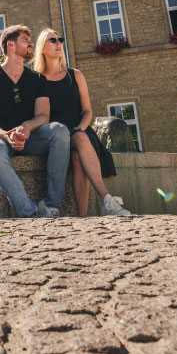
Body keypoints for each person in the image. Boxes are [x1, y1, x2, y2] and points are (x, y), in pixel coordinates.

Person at [32, 28, 131, 217]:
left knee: (78, 157)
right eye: (52, 40)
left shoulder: (75, 75)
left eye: (60, 39)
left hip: (80, 129)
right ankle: (107, 200)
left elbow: (87, 110)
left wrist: (80, 129)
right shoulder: (36, 80)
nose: (59, 43)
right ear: (42, 48)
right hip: (55, 134)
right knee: (78, 140)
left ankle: (83, 216)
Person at [0, 25, 71, 218]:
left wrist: (27, 127)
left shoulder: (37, 79)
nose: (31, 44)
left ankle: (51, 206)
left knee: (60, 131)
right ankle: (30, 213)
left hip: (31, 137)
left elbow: (43, 115)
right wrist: (5, 134)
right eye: (25, 40)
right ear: (11, 45)